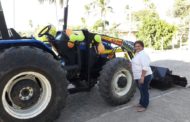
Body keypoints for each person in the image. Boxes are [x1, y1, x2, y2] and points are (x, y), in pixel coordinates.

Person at [131, 40, 153, 112]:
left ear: (142, 47)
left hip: (145, 76)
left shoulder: (143, 55)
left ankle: (144, 105)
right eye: (136, 46)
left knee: (144, 91)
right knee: (141, 90)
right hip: (138, 76)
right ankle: (141, 103)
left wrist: (142, 77)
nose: (137, 47)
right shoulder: (138, 54)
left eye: (139, 46)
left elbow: (145, 67)